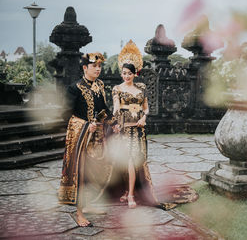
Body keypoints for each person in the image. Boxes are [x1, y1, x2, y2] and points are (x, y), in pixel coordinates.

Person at [112, 40, 198, 210]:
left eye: (129, 73)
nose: (126, 76)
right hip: (124, 129)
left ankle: (131, 193)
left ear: (135, 73)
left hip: (138, 130)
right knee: (124, 162)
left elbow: (146, 107)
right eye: (124, 73)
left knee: (134, 162)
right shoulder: (117, 89)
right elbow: (115, 108)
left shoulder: (141, 88)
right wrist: (115, 120)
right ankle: (126, 191)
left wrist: (144, 117)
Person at [58, 52, 120, 227]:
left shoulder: (99, 85)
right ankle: (79, 214)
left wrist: (113, 122)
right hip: (81, 139)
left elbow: (102, 109)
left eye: (100, 66)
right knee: (82, 174)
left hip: (97, 139)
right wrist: (85, 125)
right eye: (94, 66)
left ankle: (89, 205)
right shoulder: (75, 88)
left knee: (94, 173)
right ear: (85, 68)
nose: (98, 69)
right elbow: (65, 115)